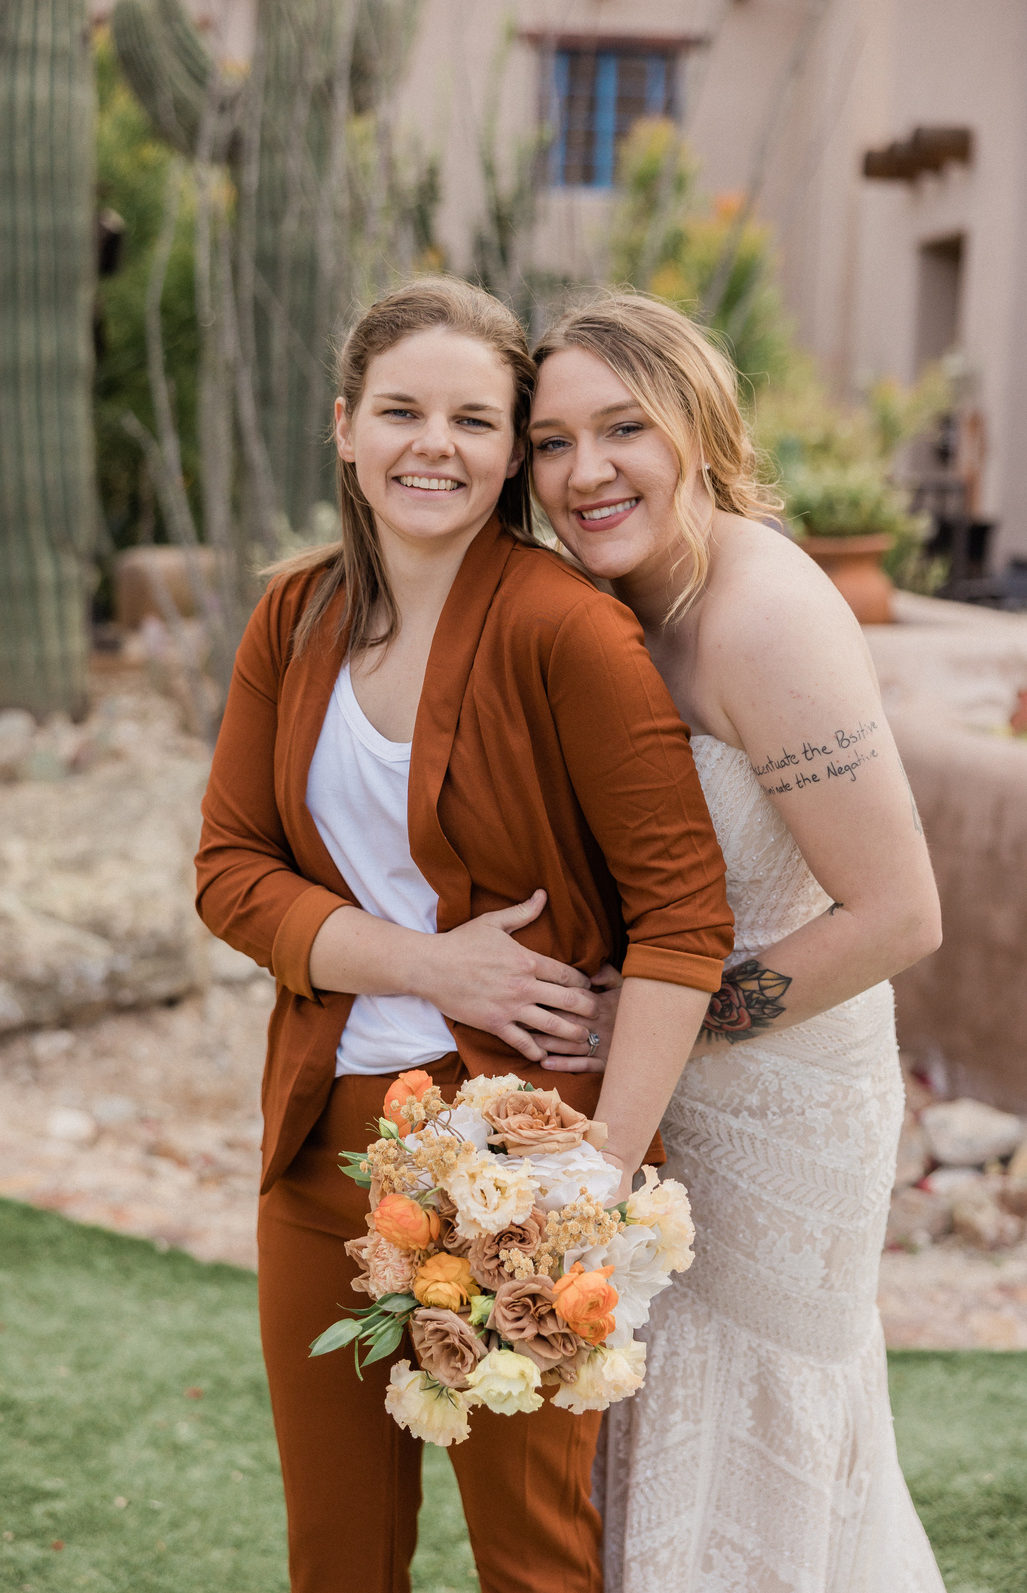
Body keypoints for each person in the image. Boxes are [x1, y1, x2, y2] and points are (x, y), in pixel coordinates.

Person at [195, 277, 734, 1593]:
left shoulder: (566, 627)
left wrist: (595, 1174)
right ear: (343, 427)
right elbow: (227, 872)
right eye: (399, 410)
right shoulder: (292, 615)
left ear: (506, 454)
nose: (431, 443)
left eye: (473, 419)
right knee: (335, 1556)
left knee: (532, 1559)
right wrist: (427, 962)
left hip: (521, 1163)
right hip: (319, 1146)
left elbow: (682, 917)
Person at [527, 294, 946, 1593]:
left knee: (757, 1403)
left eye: (621, 428)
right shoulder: (613, 598)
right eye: (549, 441)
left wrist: (660, 1016)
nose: (583, 470)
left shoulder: (763, 612)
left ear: (697, 433)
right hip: (658, 1084)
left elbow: (899, 912)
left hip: (783, 1096)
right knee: (656, 1400)